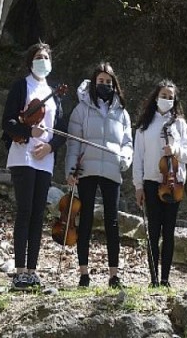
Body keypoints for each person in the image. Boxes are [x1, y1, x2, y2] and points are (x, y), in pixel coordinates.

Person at [1, 42, 67, 289]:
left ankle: (33, 270)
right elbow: (8, 121)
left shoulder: (54, 93)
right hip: (23, 155)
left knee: (39, 214)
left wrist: (50, 146)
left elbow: (60, 130)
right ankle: (19, 271)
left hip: (45, 160)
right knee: (25, 211)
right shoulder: (21, 86)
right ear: (30, 61)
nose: (43, 61)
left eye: (46, 57)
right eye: (39, 57)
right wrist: (29, 130)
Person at [65, 62, 133, 288]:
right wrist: (70, 171)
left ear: (114, 84)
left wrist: (125, 158)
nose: (104, 84)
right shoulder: (81, 109)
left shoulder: (122, 113)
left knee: (112, 222)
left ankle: (114, 275)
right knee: (84, 220)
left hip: (112, 171)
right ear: (94, 82)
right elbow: (73, 143)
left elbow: (127, 143)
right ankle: (84, 274)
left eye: (108, 81)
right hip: (87, 171)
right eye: (100, 81)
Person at [133, 79, 187, 287]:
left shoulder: (180, 124)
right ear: (156, 97)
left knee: (168, 232)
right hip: (151, 182)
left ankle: (166, 278)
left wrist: (175, 150)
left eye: (170, 97)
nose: (166, 99)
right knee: (153, 231)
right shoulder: (144, 126)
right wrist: (138, 186)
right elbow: (138, 157)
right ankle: (153, 279)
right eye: (163, 95)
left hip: (173, 183)